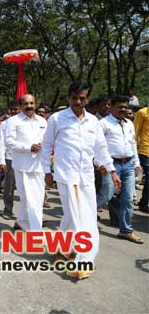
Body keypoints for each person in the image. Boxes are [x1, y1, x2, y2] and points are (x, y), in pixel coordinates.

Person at [42, 82, 121, 280]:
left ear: (87, 98)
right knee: (83, 219)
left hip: (86, 177)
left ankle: (61, 249)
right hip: (66, 176)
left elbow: (101, 149)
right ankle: (83, 261)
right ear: (69, 97)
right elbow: (46, 146)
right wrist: (46, 171)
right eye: (75, 98)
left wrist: (111, 170)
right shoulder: (57, 119)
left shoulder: (93, 121)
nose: (79, 102)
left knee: (72, 215)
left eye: (82, 98)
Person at [98, 96, 142, 244]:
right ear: (110, 107)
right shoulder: (103, 124)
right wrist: (101, 164)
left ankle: (125, 231)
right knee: (107, 195)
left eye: (125, 107)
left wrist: (136, 163)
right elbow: (97, 147)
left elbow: (132, 144)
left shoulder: (129, 123)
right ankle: (84, 214)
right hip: (111, 164)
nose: (123, 109)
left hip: (128, 164)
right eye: (119, 107)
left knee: (128, 198)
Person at [5, 94, 47, 230]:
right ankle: (36, 229)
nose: (29, 106)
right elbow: (9, 142)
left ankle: (21, 222)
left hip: (39, 165)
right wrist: (29, 148)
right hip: (22, 165)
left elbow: (47, 140)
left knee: (38, 198)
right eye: (26, 104)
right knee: (27, 198)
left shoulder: (42, 121)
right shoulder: (13, 121)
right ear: (21, 106)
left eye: (31, 103)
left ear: (35, 104)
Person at [0, 101, 20, 220]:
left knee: (26, 188)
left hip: (26, 159)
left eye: (16, 109)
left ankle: (27, 214)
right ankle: (8, 209)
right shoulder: (5, 124)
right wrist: (2, 160)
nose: (14, 112)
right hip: (10, 159)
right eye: (12, 110)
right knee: (9, 187)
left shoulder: (27, 122)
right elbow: (1, 142)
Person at [134, 100, 149, 213]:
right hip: (145, 150)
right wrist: (134, 151)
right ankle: (143, 203)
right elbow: (135, 132)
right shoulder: (142, 112)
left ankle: (144, 203)